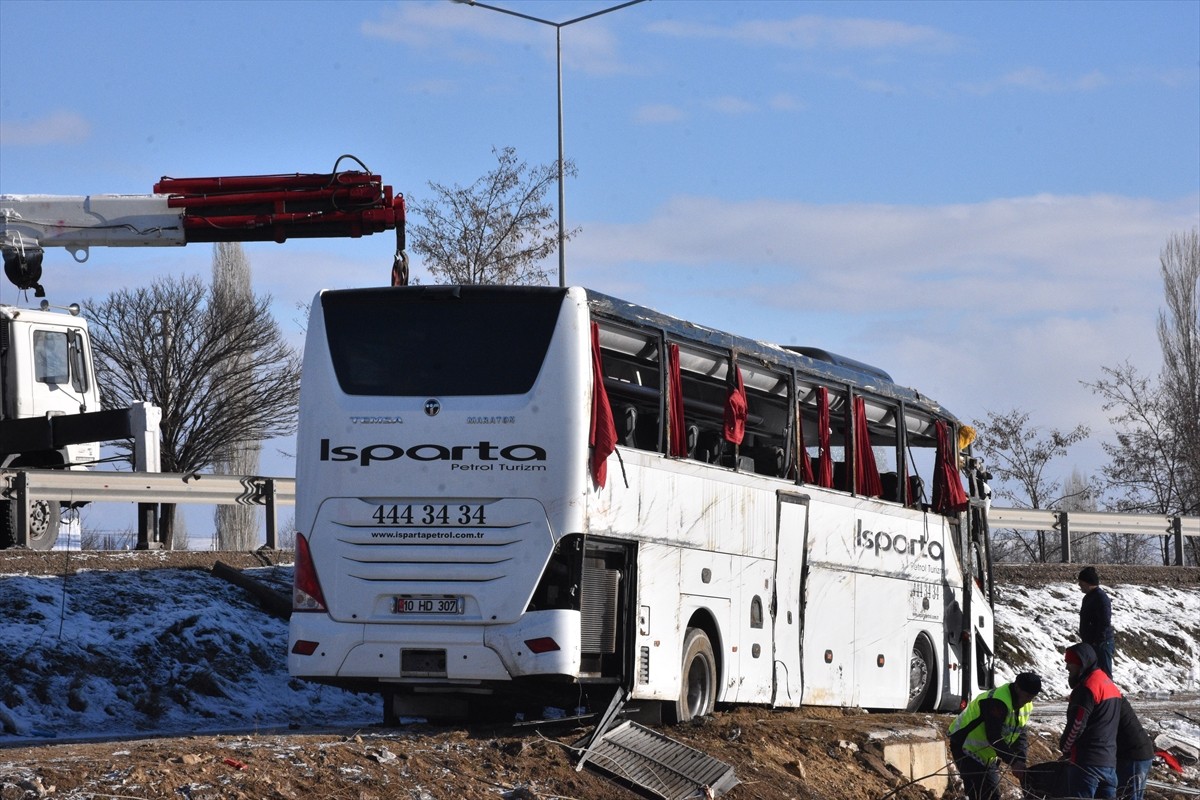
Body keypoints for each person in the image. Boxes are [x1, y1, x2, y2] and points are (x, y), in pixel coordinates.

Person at [948, 671, 1042, 800]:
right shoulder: (997, 702)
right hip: (965, 746)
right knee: (986, 794)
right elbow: (993, 736)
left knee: (985, 793)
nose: (1028, 701)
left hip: (986, 753)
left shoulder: (1026, 705)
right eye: (1027, 696)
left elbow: (1020, 734)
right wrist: (1013, 762)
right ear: (1017, 687)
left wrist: (1020, 759)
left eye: (1032, 697)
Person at [1061, 643, 1122, 798]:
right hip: (1108, 762)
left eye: (1070, 663)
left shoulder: (1087, 688)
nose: (1067, 667)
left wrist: (1065, 748)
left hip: (1087, 764)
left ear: (1081, 663)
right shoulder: (1108, 684)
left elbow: (1077, 725)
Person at [1078, 566, 1116, 677]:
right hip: (1092, 643)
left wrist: (1097, 641)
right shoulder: (1088, 597)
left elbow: (1104, 621)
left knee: (1104, 675)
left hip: (1101, 644)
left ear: (1087, 582)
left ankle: (1109, 694)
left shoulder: (1100, 598)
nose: (1079, 585)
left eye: (1081, 583)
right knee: (1093, 675)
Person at [1115, 696, 1154, 800]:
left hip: (1134, 754)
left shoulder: (1109, 702)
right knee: (1133, 795)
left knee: (1129, 795)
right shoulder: (1114, 697)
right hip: (1139, 751)